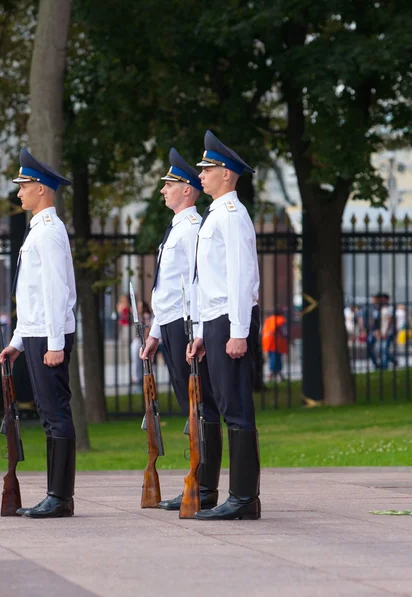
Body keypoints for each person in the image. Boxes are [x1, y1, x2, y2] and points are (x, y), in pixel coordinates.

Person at [140, 148, 222, 512]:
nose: (164, 190)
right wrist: (156, 332)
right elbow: (168, 290)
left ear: (187, 190)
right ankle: (196, 479)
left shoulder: (191, 229)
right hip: (172, 324)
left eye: (169, 184)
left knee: (200, 407)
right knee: (190, 408)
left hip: (187, 326)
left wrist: (198, 330)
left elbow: (197, 283)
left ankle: (204, 487)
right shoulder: (178, 229)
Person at [0, 148, 76, 519]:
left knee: (55, 414)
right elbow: (31, 296)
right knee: (49, 414)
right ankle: (55, 494)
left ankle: (59, 497)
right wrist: (17, 341)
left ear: (42, 189)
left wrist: (55, 344)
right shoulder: (39, 232)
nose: (19, 193)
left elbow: (55, 291)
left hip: (49, 337)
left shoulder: (47, 232)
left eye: (24, 185)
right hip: (38, 334)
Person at [187, 130, 261, 521]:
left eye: (208, 168)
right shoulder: (216, 214)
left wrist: (238, 330)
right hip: (215, 321)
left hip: (229, 320)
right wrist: (202, 332)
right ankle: (239, 496)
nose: (201, 175)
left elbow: (240, 276)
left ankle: (244, 498)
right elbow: (207, 281)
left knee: (236, 408)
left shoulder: (232, 215)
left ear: (227, 174)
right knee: (227, 404)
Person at [261, 307, 288, 382]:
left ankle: (277, 374)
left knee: (272, 357)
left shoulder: (269, 319)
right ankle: (273, 374)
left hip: (267, 341)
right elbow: (283, 332)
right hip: (276, 341)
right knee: (276, 358)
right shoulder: (281, 320)